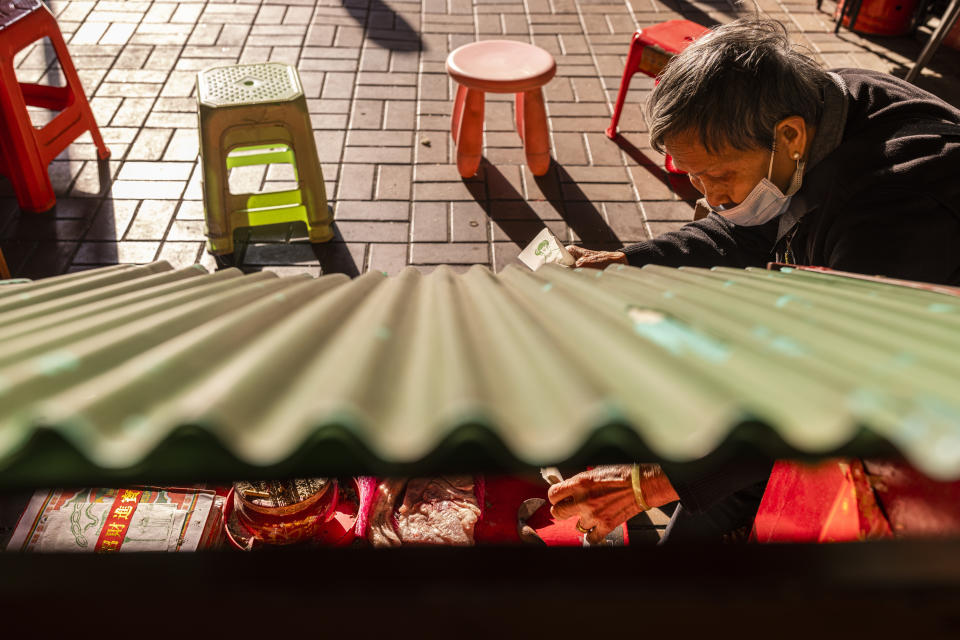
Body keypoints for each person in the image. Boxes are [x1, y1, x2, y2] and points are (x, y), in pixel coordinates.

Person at [550, 16, 960, 544]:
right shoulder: (822, 104)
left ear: (789, 136)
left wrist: (646, 484)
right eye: (693, 178)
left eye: (718, 176)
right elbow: (747, 227)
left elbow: (830, 394)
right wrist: (629, 261)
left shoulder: (895, 209)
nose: (710, 197)